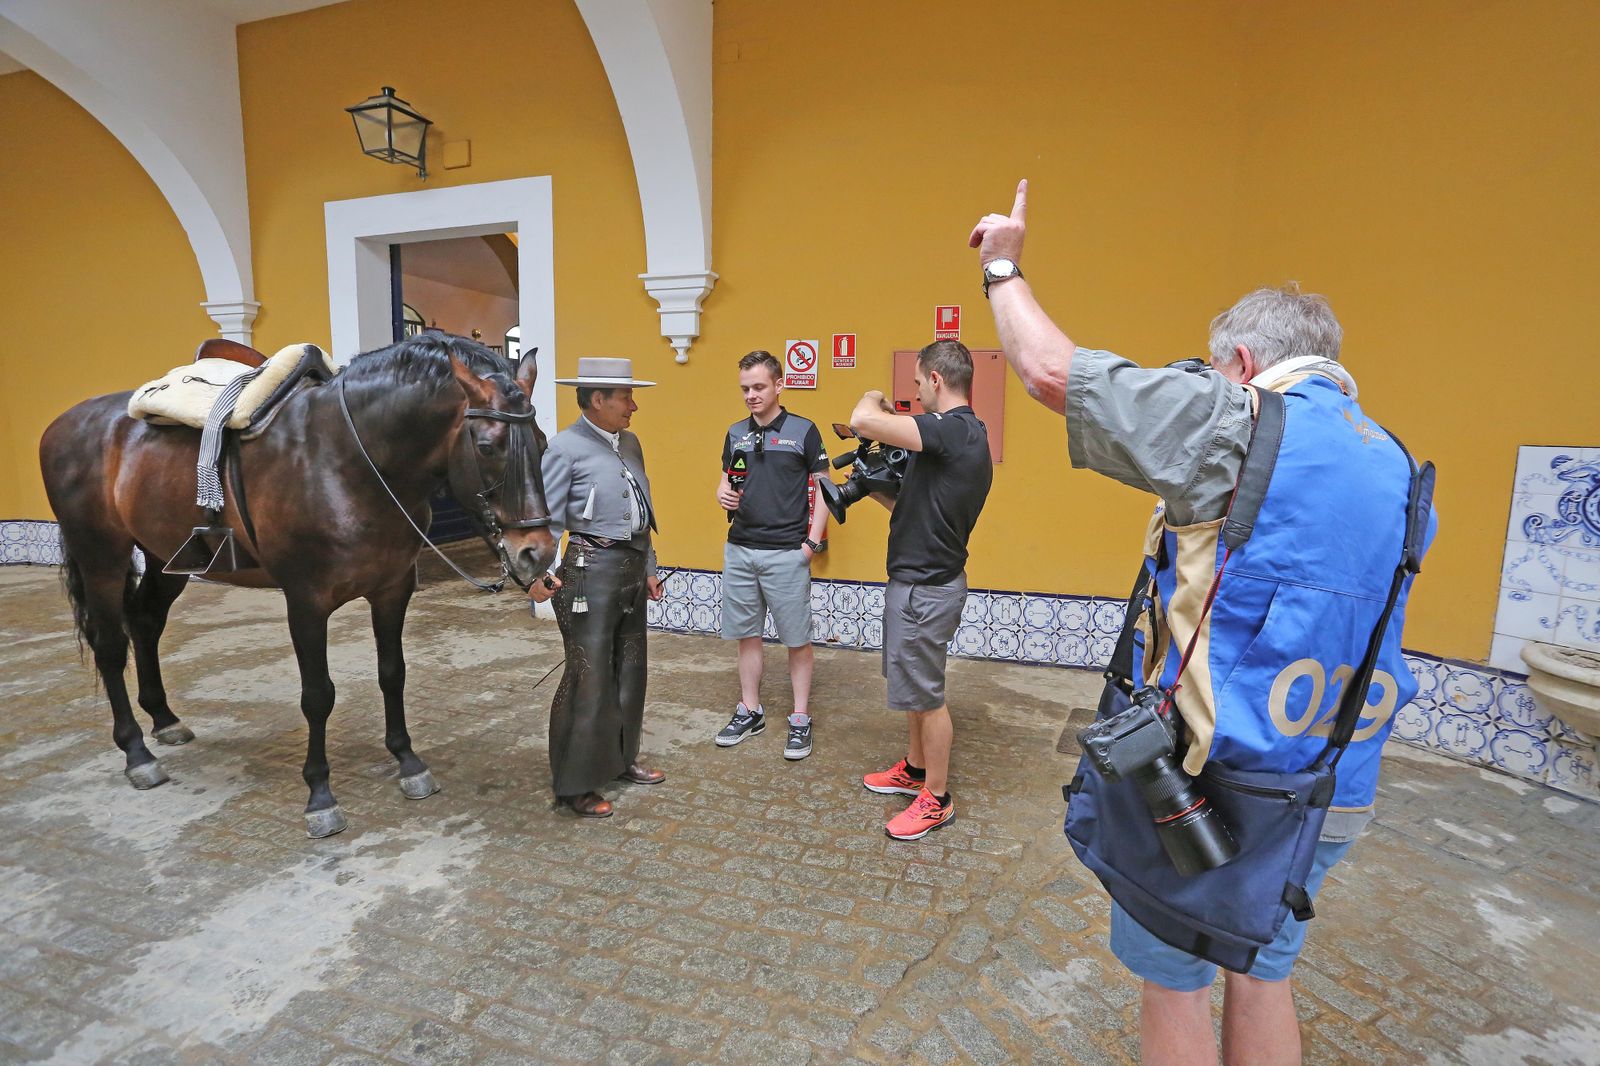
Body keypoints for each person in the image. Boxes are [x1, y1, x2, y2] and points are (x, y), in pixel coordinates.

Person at [969, 180, 1433, 1066]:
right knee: (1263, 968)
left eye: (1218, 372)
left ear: (1244, 363)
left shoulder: (1246, 420)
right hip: (1332, 786)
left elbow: (1050, 372)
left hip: (1208, 785)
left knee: (1174, 979)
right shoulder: (1398, 464)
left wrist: (1003, 264)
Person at [850, 340, 993, 841]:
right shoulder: (955, 442)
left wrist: (872, 397)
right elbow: (916, 510)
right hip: (916, 582)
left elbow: (861, 420)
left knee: (928, 695)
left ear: (936, 379)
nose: (913, 393)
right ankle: (913, 770)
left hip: (927, 590)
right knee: (913, 685)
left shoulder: (954, 430)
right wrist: (871, 488)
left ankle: (937, 798)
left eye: (916, 383)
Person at [528, 358, 666, 818]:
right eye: (626, 397)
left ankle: (620, 760)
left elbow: (641, 512)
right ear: (599, 400)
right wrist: (534, 576)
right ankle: (573, 785)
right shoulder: (564, 448)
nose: (634, 405)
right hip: (587, 572)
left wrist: (648, 565)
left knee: (630, 671)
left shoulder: (630, 442)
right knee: (588, 677)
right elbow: (547, 520)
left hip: (628, 570)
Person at [713, 350, 831, 759]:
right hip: (741, 549)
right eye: (745, 388)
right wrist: (721, 492)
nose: (751, 395)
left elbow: (826, 491)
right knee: (747, 636)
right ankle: (751, 710)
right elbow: (730, 479)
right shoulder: (735, 434)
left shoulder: (804, 431)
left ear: (779, 385)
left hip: (787, 553)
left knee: (797, 640)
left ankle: (800, 717)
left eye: (759, 387)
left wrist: (811, 545)